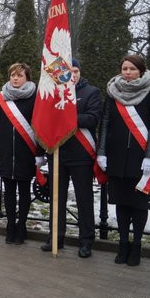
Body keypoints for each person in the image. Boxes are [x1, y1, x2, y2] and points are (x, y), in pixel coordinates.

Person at [97, 55, 150, 267]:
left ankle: (136, 246)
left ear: (141, 71)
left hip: (139, 158)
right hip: (116, 156)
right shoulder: (113, 91)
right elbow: (105, 122)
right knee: (121, 203)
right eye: (124, 68)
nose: (127, 72)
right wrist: (102, 152)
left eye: (132, 69)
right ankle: (123, 244)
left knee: (138, 205)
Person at [41, 59, 101, 257]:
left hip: (81, 155)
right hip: (57, 152)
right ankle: (56, 237)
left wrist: (67, 116)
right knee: (56, 199)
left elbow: (92, 119)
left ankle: (86, 241)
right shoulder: (53, 93)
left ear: (79, 72)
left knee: (84, 200)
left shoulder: (91, 92)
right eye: (69, 71)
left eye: (75, 71)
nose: (72, 75)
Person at [0, 63, 43, 245]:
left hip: (26, 153)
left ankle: (21, 226)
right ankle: (10, 225)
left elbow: (39, 127)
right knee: (9, 192)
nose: (15, 78)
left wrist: (39, 152)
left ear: (27, 77)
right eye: (12, 75)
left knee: (24, 192)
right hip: (5, 152)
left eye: (19, 75)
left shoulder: (35, 98)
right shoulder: (1, 98)